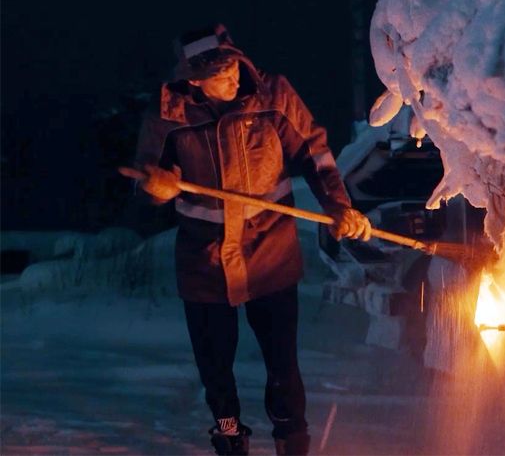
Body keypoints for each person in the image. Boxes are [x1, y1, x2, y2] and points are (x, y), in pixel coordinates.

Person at [133, 23, 372, 456]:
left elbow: (315, 153)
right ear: (193, 81)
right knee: (215, 364)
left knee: (282, 362)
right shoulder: (168, 113)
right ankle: (228, 435)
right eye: (219, 75)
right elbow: (146, 177)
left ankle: (291, 439)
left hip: (270, 252)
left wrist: (338, 206)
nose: (232, 78)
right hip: (204, 261)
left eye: (233, 67)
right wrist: (155, 186)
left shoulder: (273, 94)